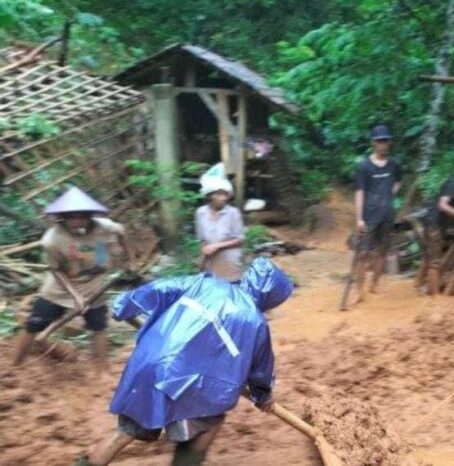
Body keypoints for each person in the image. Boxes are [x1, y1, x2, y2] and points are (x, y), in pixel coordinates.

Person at [76, 258, 292, 466]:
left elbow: (160, 288)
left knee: (125, 433)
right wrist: (263, 396)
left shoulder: (205, 283)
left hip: (149, 365)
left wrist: (125, 304)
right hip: (188, 384)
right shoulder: (255, 322)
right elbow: (260, 370)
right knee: (208, 422)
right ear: (271, 297)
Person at [13, 187, 134, 373]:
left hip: (94, 285)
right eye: (72, 217)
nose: (77, 221)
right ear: (63, 217)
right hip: (59, 288)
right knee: (33, 324)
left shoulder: (106, 227)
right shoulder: (52, 240)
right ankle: (15, 366)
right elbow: (56, 271)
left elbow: (122, 232)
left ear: (89, 215)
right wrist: (76, 296)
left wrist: (130, 260)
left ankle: (102, 371)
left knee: (98, 327)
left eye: (81, 216)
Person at [353, 124, 403, 301]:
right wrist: (359, 218)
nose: (383, 144)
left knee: (382, 251)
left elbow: (399, 182)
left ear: (389, 143)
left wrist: (388, 195)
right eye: (380, 141)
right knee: (362, 253)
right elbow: (359, 192)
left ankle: (374, 283)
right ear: (373, 142)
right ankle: (360, 291)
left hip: (387, 216)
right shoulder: (364, 167)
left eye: (386, 141)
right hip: (369, 216)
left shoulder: (394, 164)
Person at [419, 154, 454, 295]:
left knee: (429, 256)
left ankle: (417, 284)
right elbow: (443, 205)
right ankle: (435, 297)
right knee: (434, 261)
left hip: (434, 222)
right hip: (434, 223)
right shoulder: (453, 183)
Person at [195, 177, 245, 282]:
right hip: (210, 262)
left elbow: (240, 240)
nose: (223, 198)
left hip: (229, 262)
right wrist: (201, 263)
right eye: (218, 194)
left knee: (231, 290)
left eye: (225, 194)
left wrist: (216, 246)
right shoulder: (200, 213)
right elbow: (202, 240)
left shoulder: (233, 213)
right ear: (210, 196)